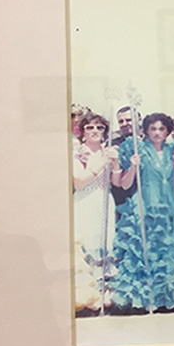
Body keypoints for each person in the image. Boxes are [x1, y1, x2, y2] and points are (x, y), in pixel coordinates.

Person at [110, 113, 174, 313]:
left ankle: (166, 299)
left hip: (168, 208)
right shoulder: (138, 150)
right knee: (144, 254)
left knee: (167, 255)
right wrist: (133, 166)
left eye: (161, 129)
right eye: (153, 129)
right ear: (146, 130)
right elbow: (124, 185)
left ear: (167, 131)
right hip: (145, 207)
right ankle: (143, 300)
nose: (157, 133)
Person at [72, 112, 118, 316]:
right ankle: (87, 295)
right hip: (85, 201)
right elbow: (79, 181)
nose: (95, 131)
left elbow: (116, 182)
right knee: (87, 243)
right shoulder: (76, 153)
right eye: (89, 127)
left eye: (100, 127)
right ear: (82, 132)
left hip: (105, 200)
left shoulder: (109, 151)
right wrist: (99, 163)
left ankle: (104, 291)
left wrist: (115, 163)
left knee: (105, 243)